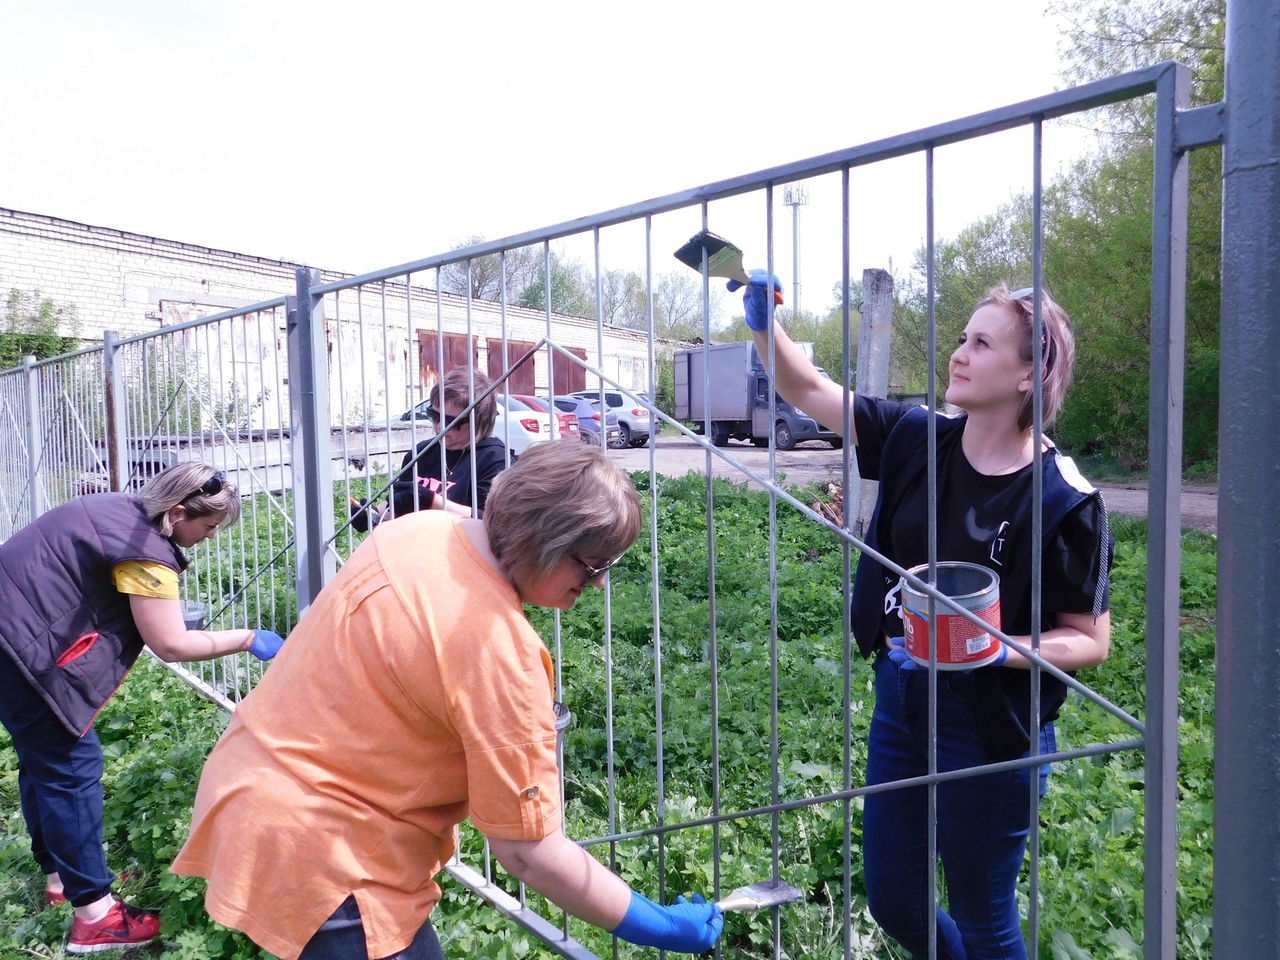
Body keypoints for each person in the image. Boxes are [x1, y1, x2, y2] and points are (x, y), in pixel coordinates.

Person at [173, 442, 724, 960]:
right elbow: (529, 853)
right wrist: (657, 926)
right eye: (593, 564)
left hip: (249, 786)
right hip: (331, 857)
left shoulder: (419, 531)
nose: (599, 582)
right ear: (548, 541)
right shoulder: (498, 653)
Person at [735, 273, 1112, 960]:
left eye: (982, 343)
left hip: (994, 726)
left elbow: (1089, 641)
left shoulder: (1063, 499)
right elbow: (810, 391)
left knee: (983, 917)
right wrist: (766, 327)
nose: (959, 354)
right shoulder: (917, 438)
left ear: (1030, 374)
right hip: (904, 699)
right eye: (962, 338)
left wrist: (993, 648)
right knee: (895, 901)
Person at [0, 462, 286, 954]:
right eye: (210, 527)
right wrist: (247, 638)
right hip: (21, 650)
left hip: (11, 630)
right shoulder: (146, 555)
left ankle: (62, 881)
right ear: (177, 513)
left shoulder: (114, 507)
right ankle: (96, 918)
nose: (210, 537)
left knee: (42, 763)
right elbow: (171, 643)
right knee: (71, 769)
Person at [350, 368, 510, 531]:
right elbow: (400, 503)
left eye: (451, 422)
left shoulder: (496, 460)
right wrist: (374, 515)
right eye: (434, 415)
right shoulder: (422, 453)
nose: (440, 426)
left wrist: (434, 502)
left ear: (478, 421)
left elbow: (490, 523)